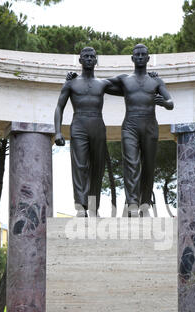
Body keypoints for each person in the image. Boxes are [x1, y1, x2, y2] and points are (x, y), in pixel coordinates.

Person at [54, 47, 122, 217]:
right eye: (86, 56)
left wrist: (150, 80)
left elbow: (129, 89)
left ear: (96, 60)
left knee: (97, 169)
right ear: (80, 60)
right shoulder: (71, 83)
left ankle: (93, 208)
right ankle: (80, 207)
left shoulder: (103, 83)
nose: (90, 59)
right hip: (79, 125)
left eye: (92, 56)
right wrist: (57, 132)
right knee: (80, 167)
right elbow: (59, 107)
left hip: (98, 125)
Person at [108, 44, 174, 217]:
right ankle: (132, 205)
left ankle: (144, 204)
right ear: (132, 58)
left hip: (150, 127)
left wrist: (164, 102)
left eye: (143, 54)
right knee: (132, 165)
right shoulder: (124, 79)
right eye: (136, 54)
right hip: (130, 126)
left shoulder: (156, 81)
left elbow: (171, 103)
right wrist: (73, 80)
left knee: (149, 167)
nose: (139, 56)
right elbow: (101, 84)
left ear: (148, 58)